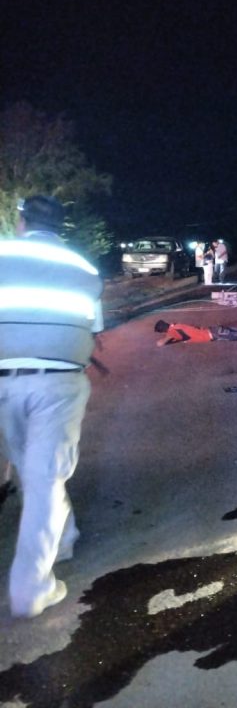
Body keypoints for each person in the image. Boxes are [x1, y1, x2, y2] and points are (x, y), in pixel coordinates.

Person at [0, 195, 103, 618]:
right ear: (61, 226)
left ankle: (47, 563)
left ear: (21, 221)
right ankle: (38, 577)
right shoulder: (83, 269)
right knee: (43, 475)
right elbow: (94, 327)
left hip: (4, 380)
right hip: (59, 382)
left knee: (33, 471)